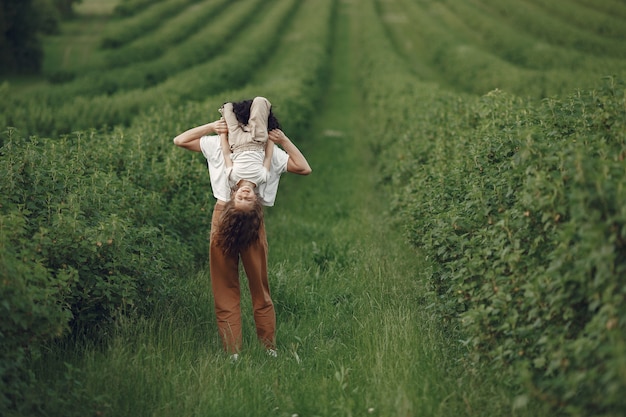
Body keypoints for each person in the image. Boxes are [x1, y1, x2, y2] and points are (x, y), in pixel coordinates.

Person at [173, 108, 311, 360]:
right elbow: (179, 140)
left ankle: (258, 348)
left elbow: (304, 168)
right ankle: (253, 349)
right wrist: (215, 128)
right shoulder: (224, 145)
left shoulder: (240, 147)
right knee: (252, 284)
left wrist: (280, 140)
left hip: (244, 217)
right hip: (231, 217)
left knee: (244, 285)